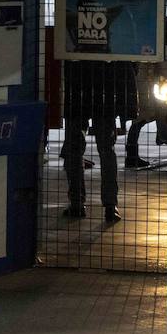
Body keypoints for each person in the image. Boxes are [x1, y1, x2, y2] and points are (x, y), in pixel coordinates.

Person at [62, 59, 137, 224]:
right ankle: (110, 206)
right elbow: (127, 65)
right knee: (106, 151)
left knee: (74, 149)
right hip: (105, 94)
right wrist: (127, 107)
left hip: (77, 91)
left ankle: (76, 203)